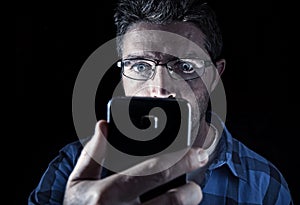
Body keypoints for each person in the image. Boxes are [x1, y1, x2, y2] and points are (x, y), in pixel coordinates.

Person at [28, 0, 294, 204]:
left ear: (215, 76)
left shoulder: (264, 184)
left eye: (185, 66)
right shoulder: (70, 168)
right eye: (140, 66)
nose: (160, 89)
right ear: (122, 73)